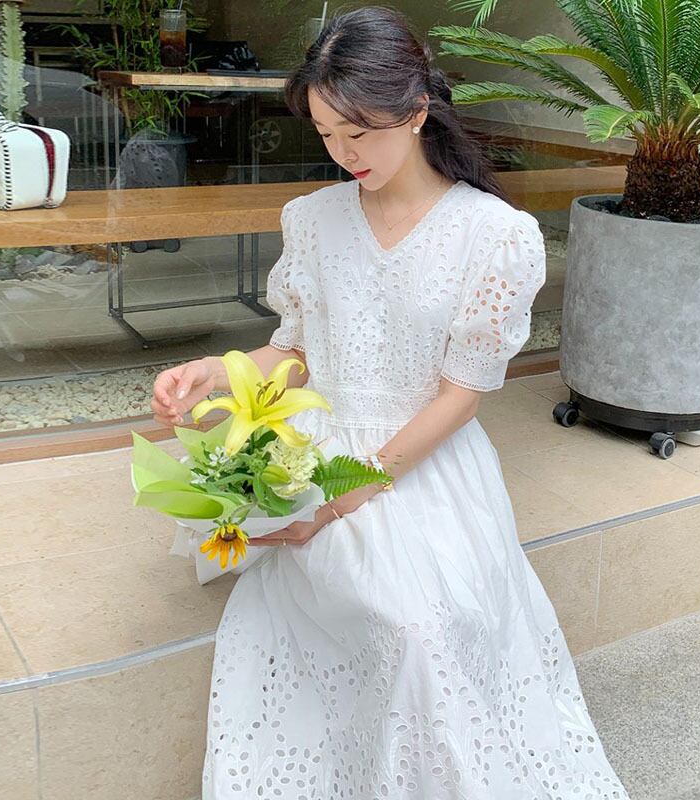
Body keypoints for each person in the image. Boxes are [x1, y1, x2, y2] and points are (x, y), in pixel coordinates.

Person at [150, 7, 631, 799]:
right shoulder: (311, 219)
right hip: (318, 448)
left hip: (421, 464)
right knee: (366, 611)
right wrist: (217, 372)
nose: (343, 154)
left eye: (358, 132)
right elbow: (297, 355)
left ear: (415, 111)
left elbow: (460, 399)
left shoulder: (495, 236)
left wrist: (339, 496)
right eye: (325, 133)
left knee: (417, 627)